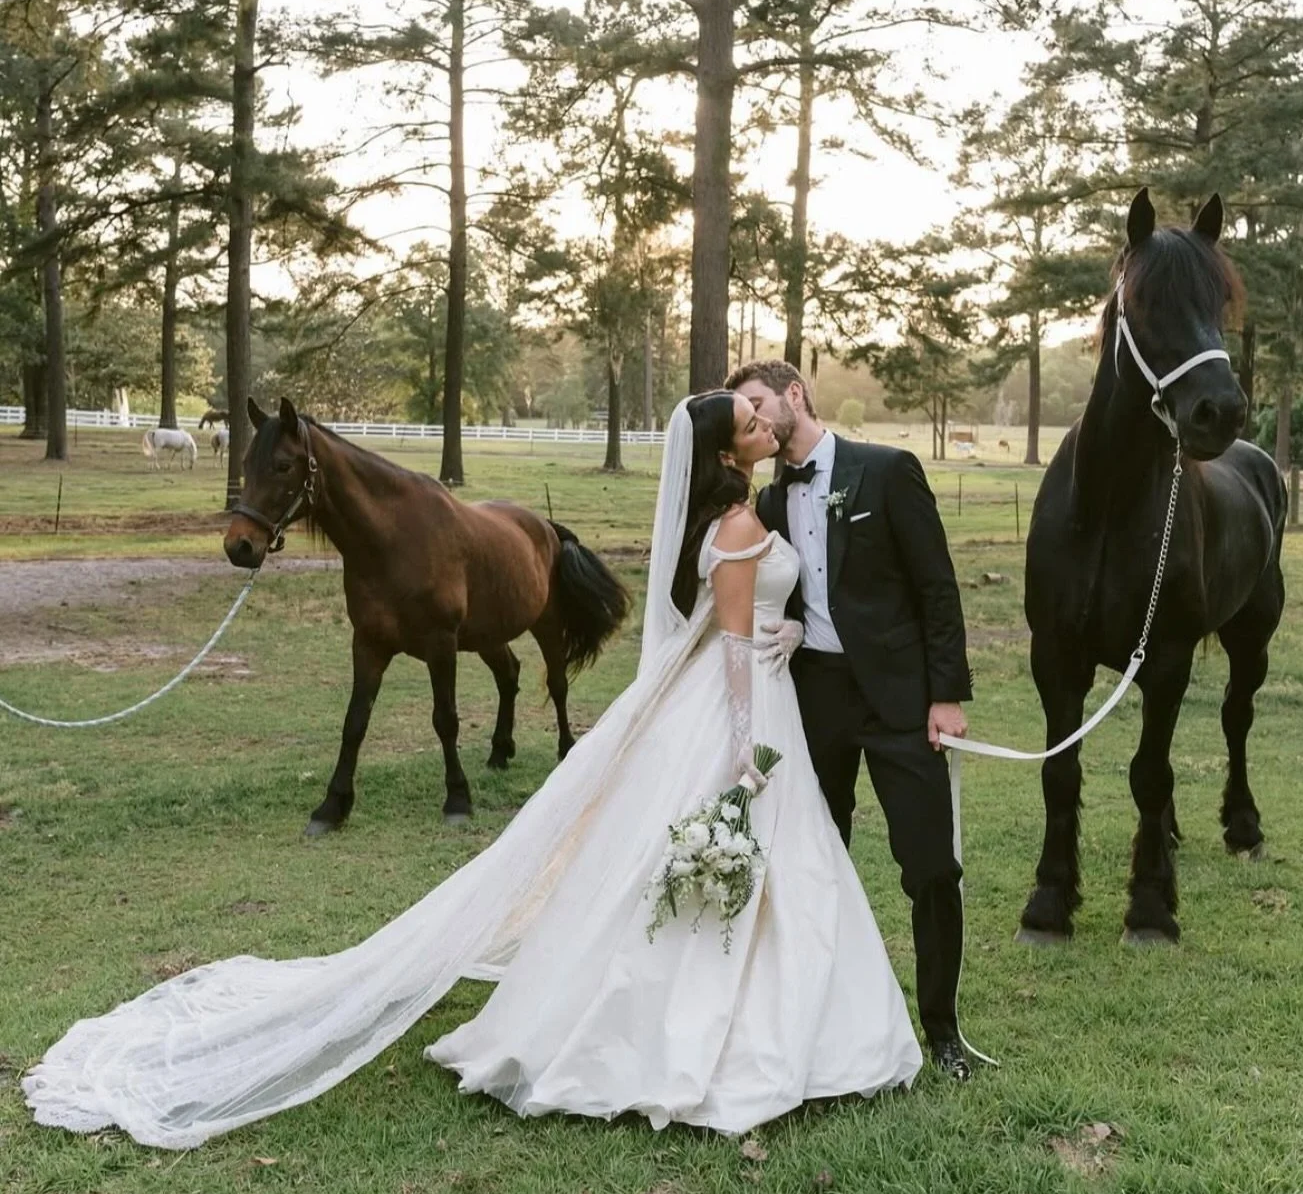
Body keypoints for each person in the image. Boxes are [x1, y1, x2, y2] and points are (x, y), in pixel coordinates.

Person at [23, 392, 922, 1150]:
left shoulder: (741, 515)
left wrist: (793, 630)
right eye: (758, 416)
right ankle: (725, 1028)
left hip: (762, 691)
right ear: (733, 449)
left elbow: (739, 619)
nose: (772, 418)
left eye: (768, 411)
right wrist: (741, 745)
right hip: (745, 712)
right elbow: (728, 645)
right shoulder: (734, 525)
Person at [726, 360, 974, 1082]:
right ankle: (822, 1025)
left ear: (795, 394)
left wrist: (946, 694)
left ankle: (944, 1029)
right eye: (742, 410)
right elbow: (775, 593)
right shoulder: (767, 503)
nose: (755, 419)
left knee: (930, 866)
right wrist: (799, 628)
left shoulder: (888, 471)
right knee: (813, 858)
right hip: (815, 698)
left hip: (900, 699)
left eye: (758, 402)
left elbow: (936, 586)